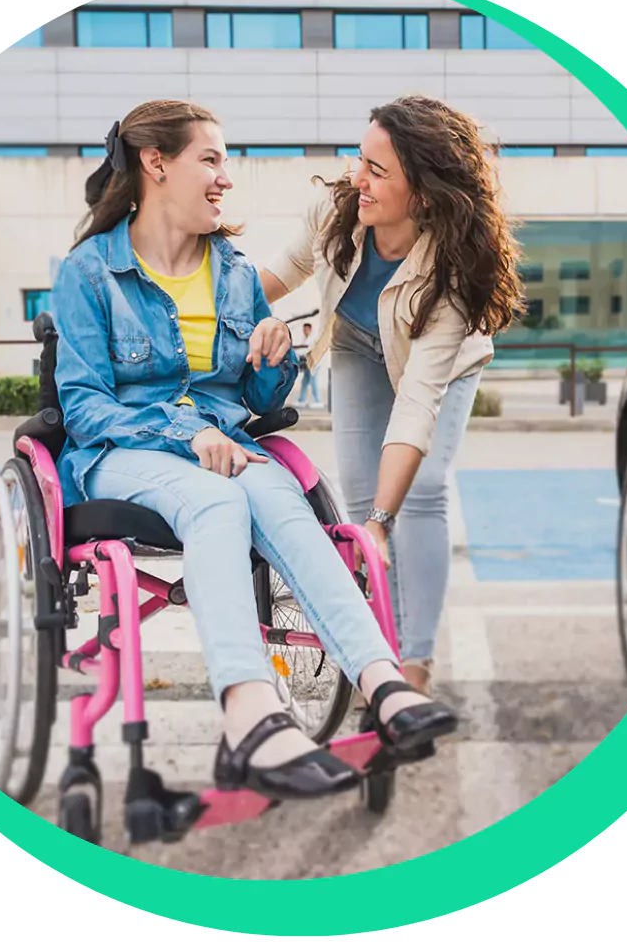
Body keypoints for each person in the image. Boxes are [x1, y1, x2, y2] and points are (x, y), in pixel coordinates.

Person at [49, 99, 460, 805]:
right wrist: (186, 434)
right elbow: (84, 406)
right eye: (210, 159)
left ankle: (383, 682)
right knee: (215, 499)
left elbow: (255, 395)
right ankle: (248, 713)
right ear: (155, 165)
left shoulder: (232, 270)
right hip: (122, 452)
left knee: (286, 504)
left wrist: (273, 357)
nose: (224, 179)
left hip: (224, 444)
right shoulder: (89, 272)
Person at [259, 95, 526, 696]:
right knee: (358, 497)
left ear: (424, 194)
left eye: (377, 171)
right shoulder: (336, 211)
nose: (359, 179)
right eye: (360, 160)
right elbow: (274, 276)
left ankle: (415, 663)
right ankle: (378, 650)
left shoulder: (452, 273)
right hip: (357, 341)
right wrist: (232, 318)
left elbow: (417, 403)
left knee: (419, 492)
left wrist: (384, 519)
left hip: (443, 367)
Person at [296, 322, 324, 408]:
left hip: (314, 363)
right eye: (304, 330)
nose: (305, 331)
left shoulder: (313, 338)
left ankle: (317, 401)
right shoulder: (305, 338)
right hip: (307, 363)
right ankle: (302, 400)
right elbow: (302, 350)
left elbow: (307, 349)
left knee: (313, 382)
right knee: (305, 381)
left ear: (310, 329)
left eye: (306, 329)